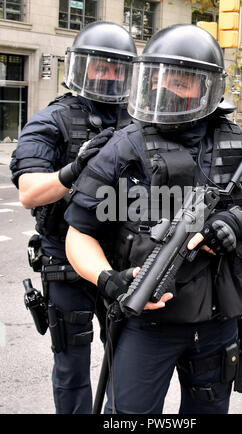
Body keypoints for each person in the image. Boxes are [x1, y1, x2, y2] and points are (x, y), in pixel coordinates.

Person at [64, 24, 242, 414]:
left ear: (207, 88)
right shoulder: (124, 146)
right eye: (163, 76)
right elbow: (79, 234)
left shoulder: (241, 143)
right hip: (146, 319)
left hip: (218, 320)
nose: (170, 88)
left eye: (184, 80)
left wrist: (241, 222)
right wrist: (107, 278)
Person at [9, 21, 137, 414]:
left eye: (118, 67)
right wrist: (73, 169)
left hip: (122, 263)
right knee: (71, 368)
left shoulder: (137, 120)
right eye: (101, 66)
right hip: (65, 263)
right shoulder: (53, 119)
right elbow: (29, 191)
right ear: (82, 67)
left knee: (129, 367)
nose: (110, 75)